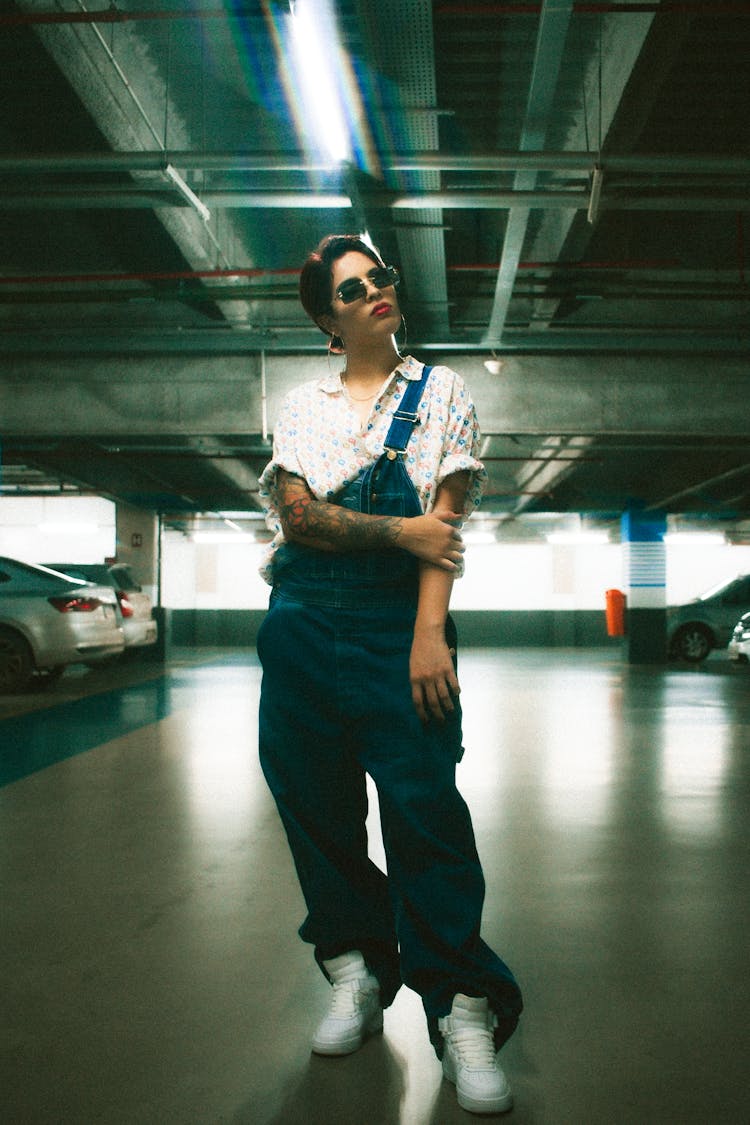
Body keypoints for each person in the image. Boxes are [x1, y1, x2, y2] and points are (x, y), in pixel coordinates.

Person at [256, 234, 523, 1115]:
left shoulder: (441, 392)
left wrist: (428, 634)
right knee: (317, 810)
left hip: (395, 628)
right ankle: (358, 972)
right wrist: (395, 532)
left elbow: (441, 529)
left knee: (425, 814)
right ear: (328, 322)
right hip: (300, 626)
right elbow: (298, 519)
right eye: (353, 287)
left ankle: (460, 1006)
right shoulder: (300, 407)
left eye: (381, 277)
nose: (376, 289)